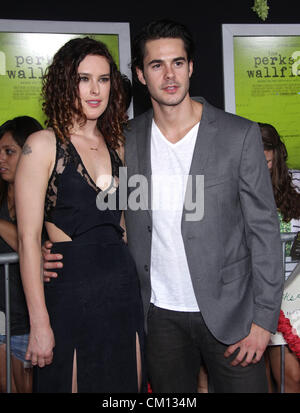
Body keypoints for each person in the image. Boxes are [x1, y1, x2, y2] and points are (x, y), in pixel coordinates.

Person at [43, 20, 284, 393]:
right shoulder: (126, 140)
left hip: (233, 319)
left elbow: (265, 233)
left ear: (191, 67)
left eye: (178, 62)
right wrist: (58, 248)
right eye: (157, 65)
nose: (169, 75)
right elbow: (106, 213)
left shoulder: (239, 135)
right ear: (140, 74)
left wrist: (264, 322)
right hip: (157, 319)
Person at [14, 37, 145, 393]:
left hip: (122, 288)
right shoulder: (42, 144)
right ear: (65, 82)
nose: (95, 90)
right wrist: (39, 322)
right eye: (84, 78)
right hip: (70, 292)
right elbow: (27, 241)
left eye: (103, 79)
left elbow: (128, 224)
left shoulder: (119, 145)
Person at [0, 116, 43, 392]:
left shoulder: (45, 197)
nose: (1, 159)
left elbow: (30, 245)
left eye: (9, 152)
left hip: (28, 323)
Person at [259, 122, 300, 393]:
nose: (262, 156)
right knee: (273, 376)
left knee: (291, 375)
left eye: (267, 149)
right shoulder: (241, 187)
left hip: (296, 290)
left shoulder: (296, 181)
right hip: (263, 290)